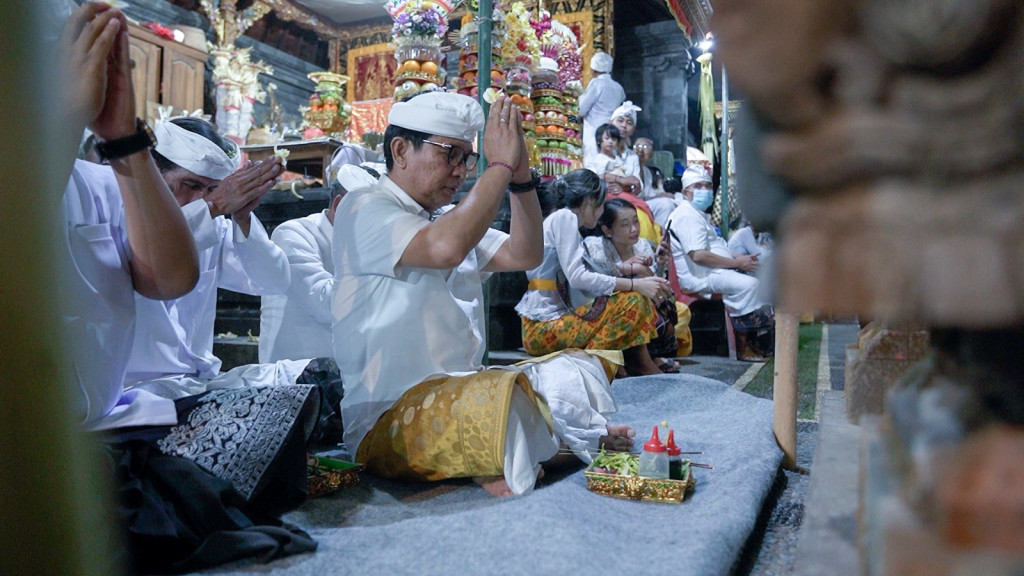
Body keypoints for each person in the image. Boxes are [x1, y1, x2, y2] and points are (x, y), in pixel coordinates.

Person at [55, 3, 317, 571]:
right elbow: (152, 266)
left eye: (207, 189)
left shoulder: (211, 221)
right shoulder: (108, 191)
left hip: (188, 394)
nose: (197, 202)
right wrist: (213, 207)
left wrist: (240, 216)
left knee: (309, 398)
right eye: (186, 186)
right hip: (134, 408)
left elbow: (274, 279)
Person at [332, 92, 635, 498]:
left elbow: (525, 252)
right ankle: (543, 447)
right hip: (388, 416)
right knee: (494, 401)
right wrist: (498, 166)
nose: (460, 171)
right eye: (449, 155)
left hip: (464, 391)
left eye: (467, 159)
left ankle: (523, 450)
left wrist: (521, 177)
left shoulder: (443, 220)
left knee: (571, 371)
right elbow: (445, 249)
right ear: (401, 150)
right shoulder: (364, 206)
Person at [516, 168, 673, 377]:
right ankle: (600, 366)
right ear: (590, 201)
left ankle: (626, 365)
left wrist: (624, 269)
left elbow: (577, 274)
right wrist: (635, 284)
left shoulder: (565, 220)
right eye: (600, 205)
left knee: (635, 301)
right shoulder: (565, 218)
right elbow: (578, 277)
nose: (601, 214)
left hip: (553, 320)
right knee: (634, 302)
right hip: (545, 326)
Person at [259, 165, 378, 363]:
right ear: (340, 206)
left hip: (353, 374)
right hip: (296, 377)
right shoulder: (292, 234)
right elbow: (327, 304)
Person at [667, 166, 775, 361]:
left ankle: (760, 343)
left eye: (708, 186)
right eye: (698, 186)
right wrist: (737, 264)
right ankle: (744, 347)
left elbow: (713, 248)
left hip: (713, 270)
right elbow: (699, 256)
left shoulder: (696, 213)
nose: (705, 190)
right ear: (685, 192)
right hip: (702, 275)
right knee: (751, 285)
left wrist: (737, 260)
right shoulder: (686, 216)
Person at [582, 198, 680, 372]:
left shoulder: (642, 245)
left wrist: (659, 264)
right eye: (625, 224)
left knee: (670, 309)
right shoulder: (595, 247)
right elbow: (596, 284)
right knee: (636, 305)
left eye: (636, 221)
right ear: (607, 229)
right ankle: (637, 362)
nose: (634, 229)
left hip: (645, 303)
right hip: (601, 309)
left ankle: (646, 358)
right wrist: (629, 268)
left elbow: (654, 285)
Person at [578, 51, 625, 166]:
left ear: (594, 70)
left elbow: (582, 109)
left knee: (593, 165)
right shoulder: (619, 88)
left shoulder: (596, 83)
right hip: (612, 133)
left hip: (595, 131)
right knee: (610, 164)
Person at [633, 137, 678, 226]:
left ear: (651, 154)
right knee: (666, 204)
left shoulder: (651, 172)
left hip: (648, 204)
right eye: (637, 146)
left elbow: (659, 192)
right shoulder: (628, 169)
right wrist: (657, 197)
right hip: (633, 204)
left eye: (645, 147)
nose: (640, 150)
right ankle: (660, 235)